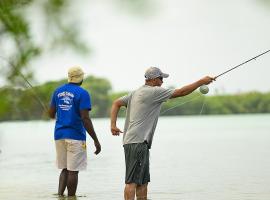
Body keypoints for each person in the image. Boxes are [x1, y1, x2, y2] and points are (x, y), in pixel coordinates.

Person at [110, 67, 215, 200]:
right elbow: (181, 92)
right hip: (137, 142)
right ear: (153, 79)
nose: (162, 82)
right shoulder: (154, 92)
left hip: (137, 142)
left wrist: (113, 125)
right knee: (132, 182)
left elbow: (116, 103)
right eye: (161, 79)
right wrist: (201, 81)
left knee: (143, 181)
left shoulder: (135, 92)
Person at [48, 66, 101, 197]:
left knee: (65, 168)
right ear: (81, 78)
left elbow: (50, 114)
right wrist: (96, 140)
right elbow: (85, 118)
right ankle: (71, 197)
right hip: (75, 136)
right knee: (73, 171)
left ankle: (60, 196)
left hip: (59, 135)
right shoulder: (82, 93)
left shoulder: (57, 91)